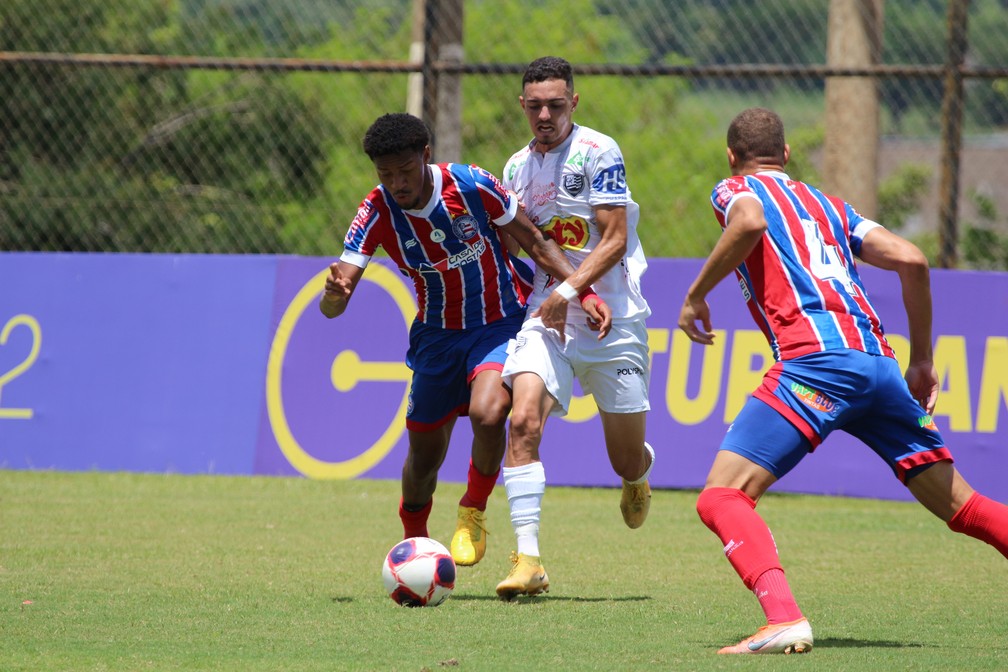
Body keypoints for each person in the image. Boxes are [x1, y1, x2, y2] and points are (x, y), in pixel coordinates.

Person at [678, 107, 1008, 654]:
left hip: (816, 363)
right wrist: (921, 360)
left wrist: (695, 295)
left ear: (733, 157)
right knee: (963, 506)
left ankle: (783, 618)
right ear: (786, 155)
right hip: (878, 366)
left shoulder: (733, 188)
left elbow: (750, 222)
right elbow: (913, 259)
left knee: (722, 496)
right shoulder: (829, 206)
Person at [320, 112, 609, 567]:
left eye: (404, 170)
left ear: (426, 157)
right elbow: (335, 302)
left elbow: (534, 241)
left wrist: (582, 291)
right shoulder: (376, 211)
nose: (396, 182)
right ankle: (413, 547)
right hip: (436, 338)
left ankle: (473, 509)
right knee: (422, 462)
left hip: (498, 322)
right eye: (385, 173)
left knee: (490, 412)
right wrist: (334, 295)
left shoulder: (472, 185)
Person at [494, 56, 655, 600]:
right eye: (535, 105)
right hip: (549, 316)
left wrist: (574, 292)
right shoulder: (514, 169)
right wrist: (557, 295)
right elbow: (528, 243)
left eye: (556, 105)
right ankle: (529, 559)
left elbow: (612, 239)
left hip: (614, 320)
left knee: (624, 457)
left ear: (574, 104)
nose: (545, 115)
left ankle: (637, 476)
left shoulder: (598, 151)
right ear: (522, 105)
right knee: (522, 422)